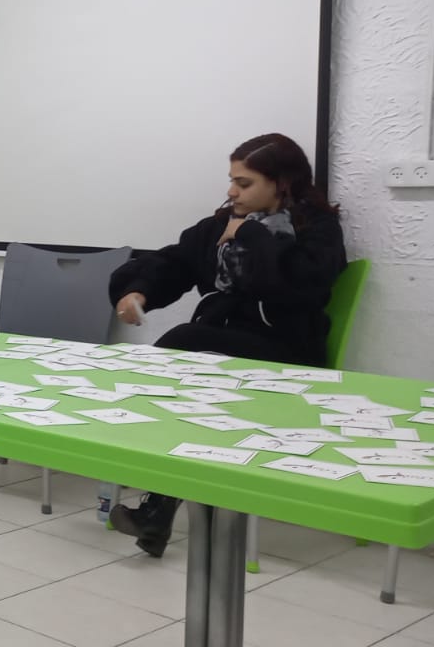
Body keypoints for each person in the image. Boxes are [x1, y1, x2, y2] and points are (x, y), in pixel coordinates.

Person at [107, 133, 346, 557]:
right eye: (232, 180)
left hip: (286, 349)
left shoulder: (316, 229)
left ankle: (156, 509)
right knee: (187, 383)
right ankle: (157, 513)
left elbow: (295, 283)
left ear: (281, 183)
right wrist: (138, 290)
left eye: (245, 183)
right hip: (222, 347)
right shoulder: (221, 224)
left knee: (183, 341)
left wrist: (250, 236)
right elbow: (175, 261)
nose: (233, 191)